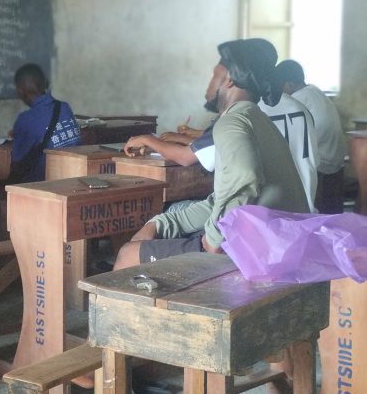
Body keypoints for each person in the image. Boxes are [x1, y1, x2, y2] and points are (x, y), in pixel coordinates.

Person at [113, 38, 308, 269]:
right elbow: (219, 200)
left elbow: (244, 178)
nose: (209, 84)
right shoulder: (255, 119)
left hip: (257, 251)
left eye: (214, 76)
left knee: (128, 255)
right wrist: (162, 223)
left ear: (229, 80)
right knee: (153, 237)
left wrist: (214, 240)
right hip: (279, 242)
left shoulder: (232, 122)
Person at [123, 40, 320, 213]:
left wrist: (150, 139)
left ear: (234, 77)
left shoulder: (244, 112)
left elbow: (188, 158)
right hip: (305, 206)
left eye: (217, 75)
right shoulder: (298, 108)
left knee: (169, 210)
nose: (211, 83)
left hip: (264, 218)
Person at [273, 59, 348, 213]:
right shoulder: (315, 91)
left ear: (288, 84)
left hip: (322, 169)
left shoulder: (296, 101)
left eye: (280, 86)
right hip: (336, 166)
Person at [8, 63, 82, 182]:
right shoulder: (64, 107)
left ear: (20, 92)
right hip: (74, 179)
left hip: (42, 185)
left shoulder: (25, 119)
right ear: (45, 83)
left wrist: (19, 134)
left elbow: (16, 162)